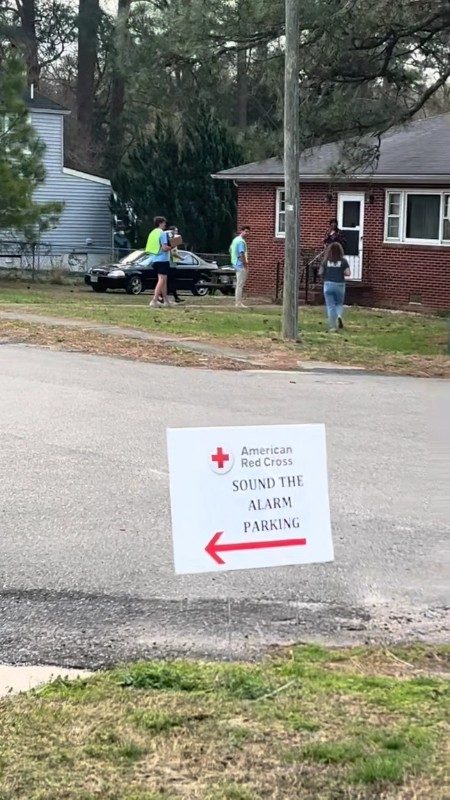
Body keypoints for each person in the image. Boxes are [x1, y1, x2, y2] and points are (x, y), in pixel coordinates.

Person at [319, 242, 350, 332]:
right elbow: (348, 273)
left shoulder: (326, 261)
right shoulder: (343, 261)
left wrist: (326, 275)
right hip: (340, 284)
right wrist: (341, 272)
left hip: (328, 284)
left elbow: (320, 272)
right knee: (339, 303)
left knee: (330, 306)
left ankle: (333, 326)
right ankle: (339, 316)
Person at [145, 216, 172, 308]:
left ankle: (166, 300)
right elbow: (164, 248)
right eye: (164, 223)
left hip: (154, 259)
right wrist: (172, 246)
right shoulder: (162, 233)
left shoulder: (152, 233)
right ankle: (154, 300)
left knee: (163, 281)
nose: (165, 224)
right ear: (160, 223)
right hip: (163, 259)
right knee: (162, 280)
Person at [230, 225, 250, 308]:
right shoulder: (241, 242)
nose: (247, 233)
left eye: (248, 232)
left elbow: (231, 250)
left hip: (235, 263)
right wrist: (245, 265)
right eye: (245, 231)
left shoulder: (235, 240)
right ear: (241, 231)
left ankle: (238, 302)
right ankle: (238, 303)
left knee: (239, 284)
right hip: (240, 264)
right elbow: (241, 253)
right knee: (240, 285)